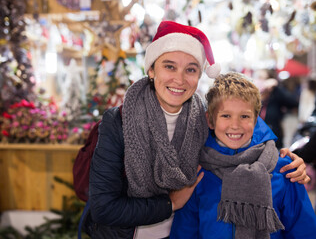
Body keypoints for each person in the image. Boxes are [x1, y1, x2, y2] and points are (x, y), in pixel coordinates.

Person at [82, 21, 309, 239]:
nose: (179, 79)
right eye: (169, 66)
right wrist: (171, 203)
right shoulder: (120, 121)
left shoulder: (202, 120)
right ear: (151, 70)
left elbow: (244, 133)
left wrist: (282, 157)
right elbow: (104, 208)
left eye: (190, 69)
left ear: (199, 76)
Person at [170, 72, 316, 239]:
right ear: (210, 120)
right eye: (226, 115)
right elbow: (184, 232)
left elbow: (304, 231)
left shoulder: (284, 169)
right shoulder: (198, 171)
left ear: (256, 120)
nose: (235, 125)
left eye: (244, 116)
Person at [254, 68, 299, 149]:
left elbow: (293, 103)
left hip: (273, 138)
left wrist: (277, 87)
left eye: (261, 78)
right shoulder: (253, 95)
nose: (258, 80)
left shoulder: (276, 94)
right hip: (255, 138)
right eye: (257, 77)